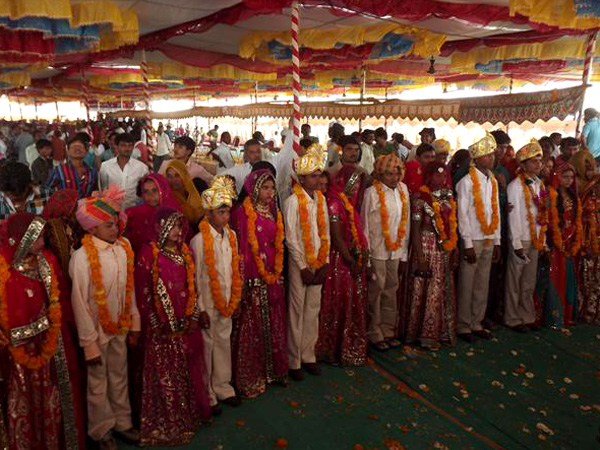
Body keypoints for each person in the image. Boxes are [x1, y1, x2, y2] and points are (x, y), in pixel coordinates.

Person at [0, 213, 86, 450]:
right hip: (18, 357)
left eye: (42, 237)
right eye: (36, 238)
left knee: (54, 402)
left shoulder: (47, 261)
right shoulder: (4, 269)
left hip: (51, 349)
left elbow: (60, 303)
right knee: (24, 403)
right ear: (20, 239)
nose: (42, 242)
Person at [70, 186, 141, 450]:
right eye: (108, 225)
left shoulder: (124, 248)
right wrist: (89, 344)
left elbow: (129, 289)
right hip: (97, 332)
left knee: (119, 374)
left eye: (115, 223)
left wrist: (134, 323)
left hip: (120, 325)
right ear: (92, 229)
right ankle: (102, 431)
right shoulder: (81, 257)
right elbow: (79, 303)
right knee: (98, 382)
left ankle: (123, 423)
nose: (115, 229)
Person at [134, 208, 212, 445]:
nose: (179, 231)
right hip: (161, 329)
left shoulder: (185, 252)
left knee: (185, 369)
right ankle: (166, 421)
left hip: (184, 324)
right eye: (173, 226)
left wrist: (194, 315)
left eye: (180, 226)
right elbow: (143, 293)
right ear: (160, 227)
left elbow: (192, 287)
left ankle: (187, 417)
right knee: (164, 374)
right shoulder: (148, 254)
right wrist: (155, 321)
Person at [231, 169, 288, 397]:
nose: (269, 192)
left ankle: (274, 371)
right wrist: (244, 280)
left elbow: (277, 243)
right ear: (254, 189)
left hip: (272, 273)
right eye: (265, 188)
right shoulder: (243, 212)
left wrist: (276, 272)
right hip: (252, 277)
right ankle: (252, 375)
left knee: (274, 320)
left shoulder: (274, 210)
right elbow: (242, 248)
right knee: (252, 324)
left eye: (271, 188)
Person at [190, 176, 242, 414]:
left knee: (223, 341)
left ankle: (223, 386)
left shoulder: (231, 236)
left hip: (227, 298)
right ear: (208, 213)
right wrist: (200, 309)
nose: (225, 216)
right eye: (220, 212)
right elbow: (196, 277)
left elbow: (234, 269)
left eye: (227, 211)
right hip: (208, 302)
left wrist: (235, 298)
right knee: (207, 345)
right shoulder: (199, 240)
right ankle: (207, 393)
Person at [284, 146, 330, 380]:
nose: (318, 180)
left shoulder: (321, 199)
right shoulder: (292, 201)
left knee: (313, 309)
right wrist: (302, 267)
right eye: (313, 176)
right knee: (297, 310)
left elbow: (326, 233)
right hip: (298, 264)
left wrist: (325, 262)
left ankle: (308, 355)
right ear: (301, 178)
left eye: (319, 175)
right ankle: (294, 361)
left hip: (318, 261)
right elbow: (290, 238)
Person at [317, 165, 369, 365]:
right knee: (339, 301)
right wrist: (350, 259)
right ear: (343, 182)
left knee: (350, 301)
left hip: (349, 258)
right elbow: (337, 238)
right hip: (339, 260)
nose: (356, 188)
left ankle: (348, 346)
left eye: (358, 184)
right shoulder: (334, 203)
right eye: (353, 183)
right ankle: (333, 348)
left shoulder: (347, 202)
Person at [404, 162, 458, 350]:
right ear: (428, 176)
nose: (441, 179)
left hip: (443, 248)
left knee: (439, 288)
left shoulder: (447, 197)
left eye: (444, 176)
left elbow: (452, 225)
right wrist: (420, 257)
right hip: (425, 247)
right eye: (437, 175)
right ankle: (421, 334)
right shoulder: (420, 198)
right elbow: (415, 230)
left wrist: (454, 247)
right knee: (425, 289)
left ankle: (439, 331)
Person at [361, 154, 410, 351]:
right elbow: (365, 226)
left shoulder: (403, 190)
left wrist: (404, 254)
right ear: (380, 174)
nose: (394, 178)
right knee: (376, 291)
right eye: (389, 174)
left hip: (396, 250)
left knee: (391, 289)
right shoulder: (372, 193)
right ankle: (374, 332)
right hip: (377, 250)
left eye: (397, 173)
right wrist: (367, 258)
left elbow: (405, 223)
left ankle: (388, 330)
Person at [456, 134, 501, 342]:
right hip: (472, 239)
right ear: (476, 158)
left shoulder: (493, 181)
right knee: (467, 283)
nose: (492, 158)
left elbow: (495, 210)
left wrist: (497, 240)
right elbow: (463, 215)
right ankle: (463, 325)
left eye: (492, 154)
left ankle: (477, 322)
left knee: (483, 283)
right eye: (487, 155)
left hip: (489, 238)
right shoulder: (466, 182)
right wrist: (466, 244)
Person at [505, 141, 547, 333]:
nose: (539, 164)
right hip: (520, 238)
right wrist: (516, 243)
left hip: (535, 238)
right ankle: (512, 318)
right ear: (523, 164)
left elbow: (542, 214)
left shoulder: (540, 184)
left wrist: (542, 240)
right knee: (515, 280)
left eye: (540, 161)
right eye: (534, 161)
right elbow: (513, 216)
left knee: (529, 281)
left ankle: (527, 316)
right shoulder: (515, 186)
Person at [544, 162, 581, 328]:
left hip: (570, 241)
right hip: (555, 242)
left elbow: (576, 219)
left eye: (571, 177)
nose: (569, 180)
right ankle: (554, 317)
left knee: (568, 276)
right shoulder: (549, 192)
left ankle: (568, 315)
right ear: (556, 176)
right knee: (556, 276)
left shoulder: (573, 195)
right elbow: (543, 210)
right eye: (565, 177)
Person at [125, 173, 180, 254]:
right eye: (146, 191)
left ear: (163, 189)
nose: (150, 195)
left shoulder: (174, 212)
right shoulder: (134, 214)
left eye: (154, 190)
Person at [99, 133, 150, 209]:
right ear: (117, 146)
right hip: (112, 210)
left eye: (130, 145)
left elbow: (145, 190)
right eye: (123, 145)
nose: (127, 148)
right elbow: (103, 189)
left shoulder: (142, 168)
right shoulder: (105, 166)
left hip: (133, 210)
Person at [42, 189, 84, 276]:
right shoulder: (52, 227)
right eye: (74, 205)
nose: (77, 208)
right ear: (66, 207)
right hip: (59, 272)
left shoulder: (71, 222)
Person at [579, 175, 600, 323]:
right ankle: (586, 313)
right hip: (590, 246)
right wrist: (586, 246)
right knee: (588, 281)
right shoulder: (588, 203)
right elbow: (582, 226)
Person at [165, 159, 204, 230]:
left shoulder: (192, 192)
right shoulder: (168, 198)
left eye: (177, 175)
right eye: (169, 176)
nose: (173, 180)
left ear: (184, 176)